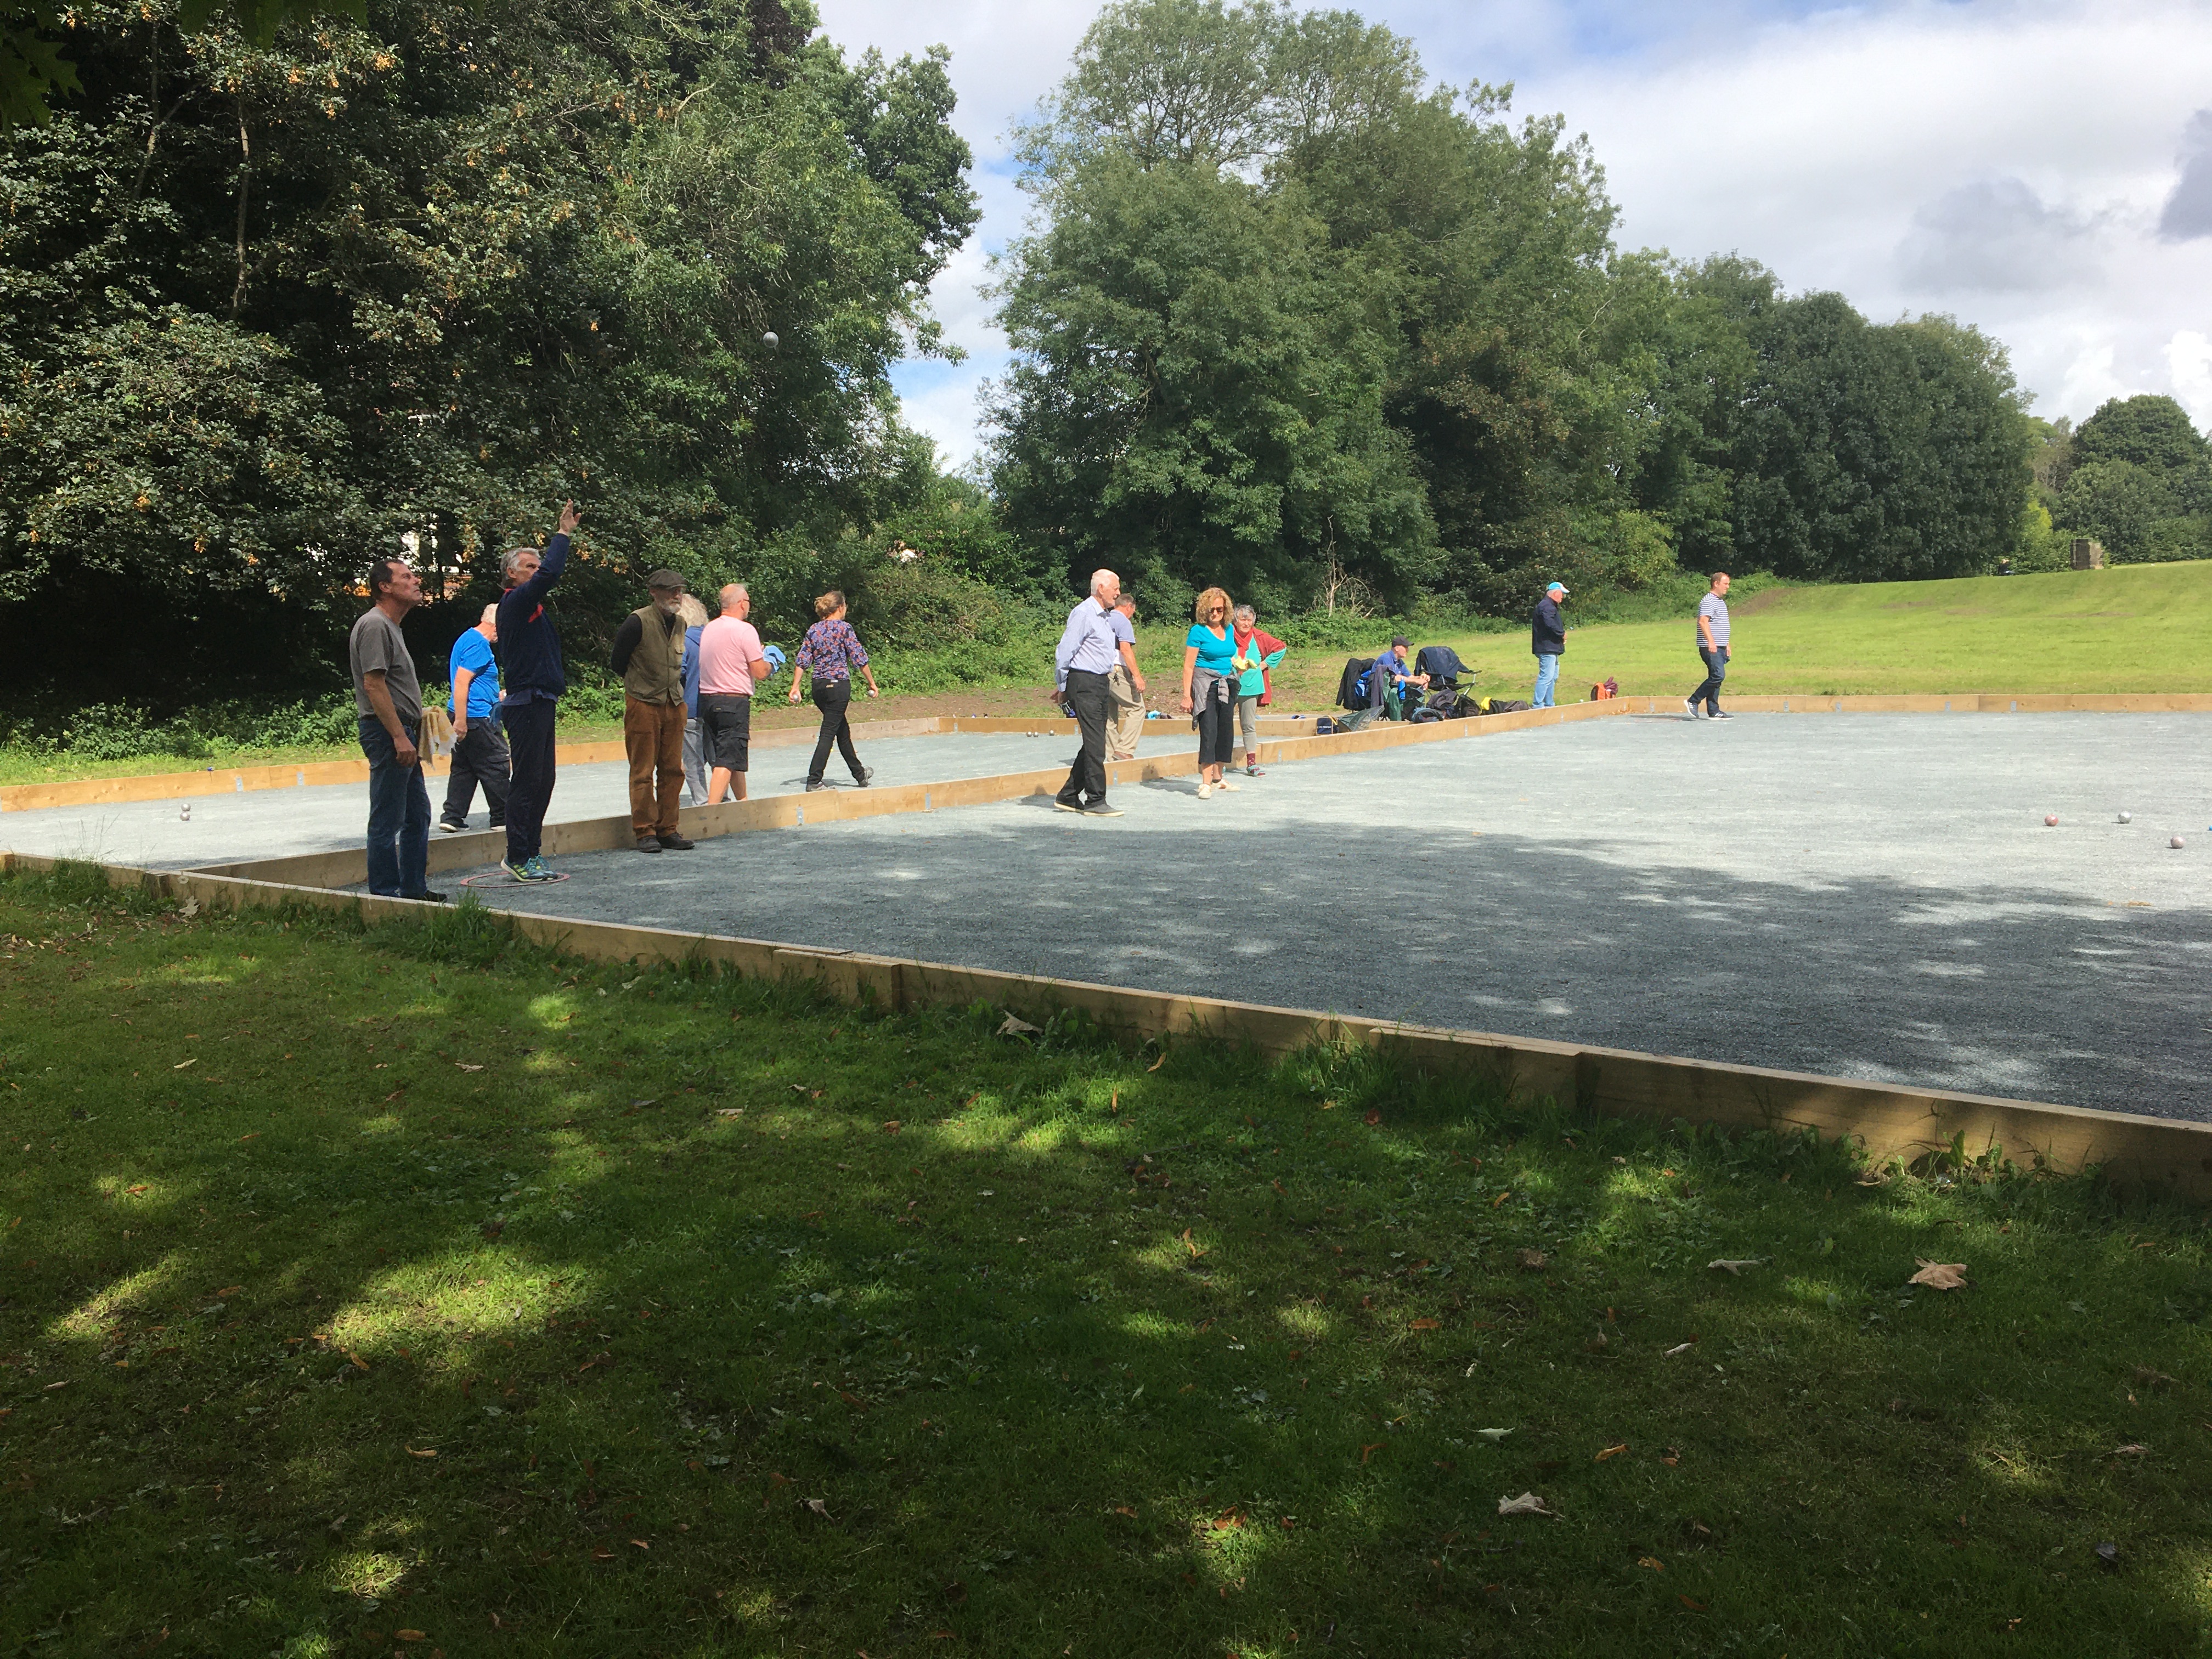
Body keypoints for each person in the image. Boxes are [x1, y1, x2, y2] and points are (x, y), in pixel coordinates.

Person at [495, 500, 582, 883]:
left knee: (543, 781)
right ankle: (518, 855)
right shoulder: (515, 603)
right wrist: (563, 534)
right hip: (526, 701)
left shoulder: (536, 611)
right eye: (528, 567)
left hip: (542, 701)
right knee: (528, 781)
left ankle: (532, 852)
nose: (536, 571)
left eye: (536, 565)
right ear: (511, 575)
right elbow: (550, 574)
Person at [348, 557, 443, 901]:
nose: (416, 581)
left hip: (402, 730)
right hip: (388, 732)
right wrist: (399, 736)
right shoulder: (375, 625)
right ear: (385, 587)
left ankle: (413, 891)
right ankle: (385, 896)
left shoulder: (391, 626)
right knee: (387, 818)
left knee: (417, 815)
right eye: (407, 576)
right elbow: (374, 685)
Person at [610, 569, 698, 853]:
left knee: (673, 770)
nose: (676, 595)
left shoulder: (681, 623)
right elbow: (617, 662)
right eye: (670, 590)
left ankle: (668, 828)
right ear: (653, 592)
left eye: (679, 590)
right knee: (643, 771)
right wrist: (641, 686)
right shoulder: (636, 622)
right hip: (643, 703)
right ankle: (645, 831)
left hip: (674, 703)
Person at [1051, 569, 1126, 816]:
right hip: (1084, 682)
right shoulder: (1083, 613)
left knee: (1095, 741)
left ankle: (1068, 795)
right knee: (1096, 744)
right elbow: (1065, 652)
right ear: (1101, 588)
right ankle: (1096, 800)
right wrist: (1063, 686)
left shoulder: (1105, 616)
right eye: (1115, 588)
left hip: (1100, 682)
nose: (1118, 593)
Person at [791, 590, 881, 792]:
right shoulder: (844, 628)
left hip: (819, 687)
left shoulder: (814, 630)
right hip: (838, 686)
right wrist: (872, 683)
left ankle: (860, 774)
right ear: (840, 607)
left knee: (841, 730)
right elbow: (859, 658)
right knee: (828, 733)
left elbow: (802, 660)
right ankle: (814, 779)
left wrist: (795, 686)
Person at [438, 602, 509, 834]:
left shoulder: (467, 638)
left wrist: (496, 695)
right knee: (496, 764)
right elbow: (462, 681)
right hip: (476, 717)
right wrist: (461, 721)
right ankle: (503, 817)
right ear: (497, 625)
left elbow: (475, 682)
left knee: (465, 767)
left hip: (466, 713)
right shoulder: (479, 645)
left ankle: (453, 816)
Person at [699, 583, 772, 804]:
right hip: (733, 702)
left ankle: (743, 803)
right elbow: (759, 672)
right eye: (748, 601)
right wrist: (770, 663)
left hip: (708, 700)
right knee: (726, 760)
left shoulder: (709, 628)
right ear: (741, 603)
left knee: (733, 757)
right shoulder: (745, 630)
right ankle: (711, 810)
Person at [1181, 587, 1240, 799]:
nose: (1215, 613)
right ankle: (1205, 783)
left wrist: (1241, 665)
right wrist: (1186, 695)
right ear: (1204, 610)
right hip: (1205, 684)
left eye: (1219, 609)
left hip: (1227, 684)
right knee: (1209, 731)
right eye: (1211, 610)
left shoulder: (1230, 630)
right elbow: (1188, 666)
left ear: (1226, 610)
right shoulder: (1198, 631)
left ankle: (1218, 778)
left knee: (1226, 731)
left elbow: (1231, 655)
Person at [1229, 604, 1285, 777]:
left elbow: (1281, 648)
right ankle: (1220, 762)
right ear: (1235, 621)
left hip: (1251, 686)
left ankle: (1252, 764)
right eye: (1243, 619)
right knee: (1224, 724)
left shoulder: (1259, 636)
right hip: (1228, 685)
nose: (1246, 623)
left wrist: (1264, 665)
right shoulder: (1227, 634)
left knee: (1248, 725)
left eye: (1249, 620)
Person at [1105, 590, 1148, 761]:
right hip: (1117, 669)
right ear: (1129, 607)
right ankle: (1124, 749)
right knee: (1137, 708)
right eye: (1133, 612)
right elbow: (1125, 649)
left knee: (1109, 715)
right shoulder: (1123, 621)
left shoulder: (1104, 618)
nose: (1132, 615)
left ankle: (1111, 756)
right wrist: (1137, 676)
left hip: (1100, 670)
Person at [677, 594, 709, 806]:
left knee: (693, 761)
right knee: (716, 759)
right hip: (715, 705)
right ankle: (722, 797)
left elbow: (679, 672)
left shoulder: (684, 641)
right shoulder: (712, 636)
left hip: (690, 706)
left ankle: (702, 801)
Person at [1686, 571, 1733, 720]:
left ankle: (1714, 711)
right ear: (1716, 583)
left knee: (1716, 679)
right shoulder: (1709, 601)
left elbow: (1721, 625)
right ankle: (1693, 701)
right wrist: (1711, 642)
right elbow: (1703, 622)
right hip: (1711, 647)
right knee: (1718, 675)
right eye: (1725, 584)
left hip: (1720, 646)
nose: (1728, 587)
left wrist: (1726, 644)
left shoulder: (1720, 602)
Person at [1364, 636, 1430, 717]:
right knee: (1398, 692)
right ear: (1397, 648)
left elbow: (1409, 677)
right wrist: (1417, 681)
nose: (1408, 650)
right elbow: (1395, 678)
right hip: (1380, 691)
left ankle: (1418, 714)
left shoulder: (1400, 662)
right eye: (1405, 647)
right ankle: (1400, 717)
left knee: (1416, 689)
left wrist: (1422, 678)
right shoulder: (1386, 658)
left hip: (1391, 690)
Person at [1531, 581, 1567, 708]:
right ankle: (1538, 705)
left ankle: (1549, 704)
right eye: (1562, 594)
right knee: (1546, 677)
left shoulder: (1549, 605)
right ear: (1556, 593)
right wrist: (1561, 634)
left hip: (1551, 647)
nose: (1563, 597)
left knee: (1553, 677)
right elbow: (1549, 623)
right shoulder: (1547, 606)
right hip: (1547, 647)